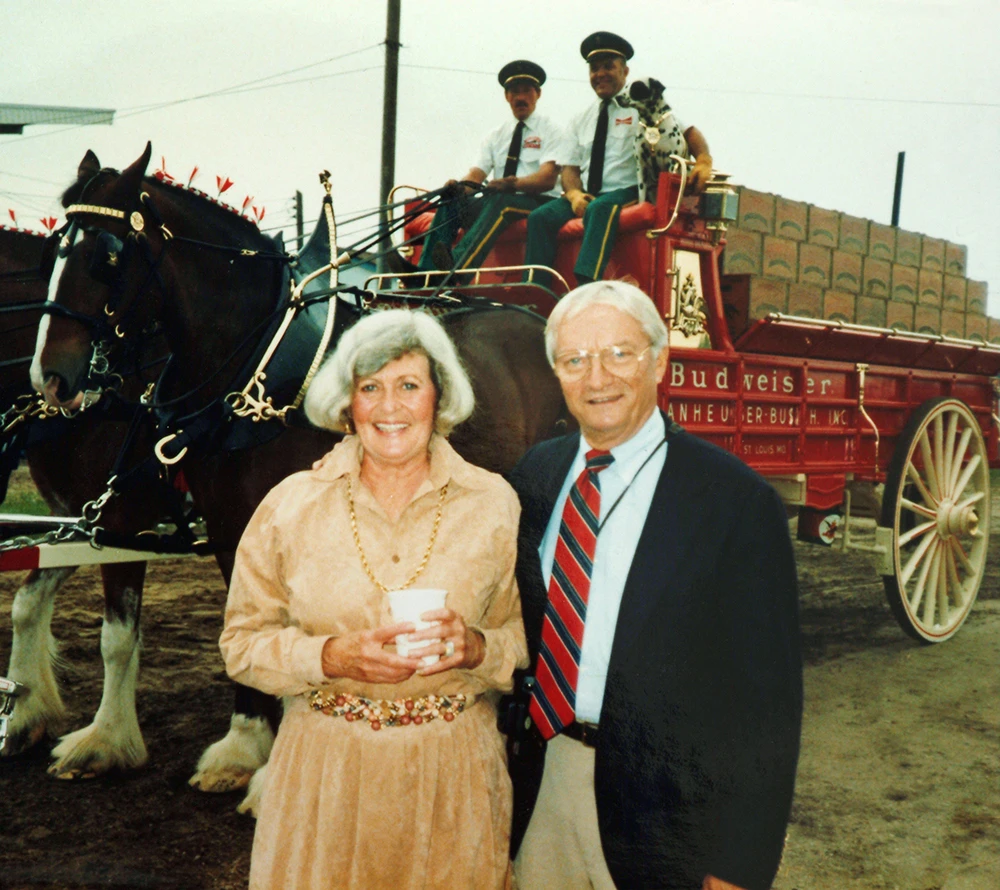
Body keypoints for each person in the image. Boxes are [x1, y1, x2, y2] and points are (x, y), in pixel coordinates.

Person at [506, 279, 803, 890]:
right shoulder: (535, 474)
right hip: (547, 780)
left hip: (667, 814)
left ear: (660, 360)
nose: (597, 378)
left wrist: (738, 865)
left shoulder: (734, 502)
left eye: (620, 353)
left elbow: (766, 704)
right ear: (556, 373)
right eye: (575, 360)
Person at [220, 309, 528, 890]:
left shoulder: (493, 504)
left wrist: (475, 648)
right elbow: (240, 646)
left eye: (409, 385)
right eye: (371, 388)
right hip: (324, 778)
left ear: (440, 397)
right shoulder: (291, 505)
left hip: (453, 779)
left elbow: (521, 642)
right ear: (347, 403)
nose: (390, 407)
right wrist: (330, 658)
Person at [523, 31, 713, 289]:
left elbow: (689, 132)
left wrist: (703, 160)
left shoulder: (643, 103)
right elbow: (569, 168)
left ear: (625, 71)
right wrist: (575, 194)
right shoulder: (580, 119)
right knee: (540, 217)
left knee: (599, 209)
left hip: (628, 190)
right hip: (589, 194)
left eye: (608, 67)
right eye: (594, 68)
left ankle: (586, 283)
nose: (599, 74)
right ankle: (535, 290)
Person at [416, 59, 562, 275]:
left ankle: (456, 268)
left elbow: (547, 178)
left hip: (538, 202)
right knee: (451, 201)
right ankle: (424, 275)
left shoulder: (552, 131)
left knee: (501, 201)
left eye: (526, 91)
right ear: (506, 96)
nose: (520, 98)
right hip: (497, 201)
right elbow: (476, 175)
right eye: (514, 92)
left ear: (538, 94)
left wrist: (511, 184)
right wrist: (458, 187)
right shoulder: (496, 136)